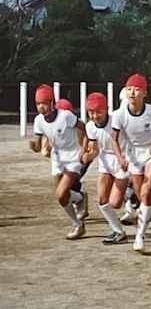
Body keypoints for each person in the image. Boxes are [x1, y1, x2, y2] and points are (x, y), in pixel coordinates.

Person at [111, 73, 151, 253]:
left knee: (145, 193)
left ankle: (140, 236)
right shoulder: (119, 114)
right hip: (133, 156)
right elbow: (114, 139)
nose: (132, 93)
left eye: (137, 89)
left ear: (145, 93)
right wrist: (120, 158)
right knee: (141, 195)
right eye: (129, 89)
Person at [29, 84, 88, 240]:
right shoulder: (38, 120)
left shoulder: (66, 116)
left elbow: (84, 128)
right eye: (38, 104)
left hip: (73, 158)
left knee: (61, 194)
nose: (41, 107)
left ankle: (77, 225)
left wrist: (84, 148)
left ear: (52, 102)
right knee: (63, 196)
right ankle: (80, 198)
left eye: (44, 103)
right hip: (57, 159)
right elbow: (38, 145)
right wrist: (34, 146)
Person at [83, 92, 129, 244]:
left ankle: (133, 193)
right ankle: (118, 231)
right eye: (91, 112)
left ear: (107, 109)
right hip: (105, 161)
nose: (95, 116)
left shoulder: (117, 120)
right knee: (102, 200)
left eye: (98, 112)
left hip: (122, 159)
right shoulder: (90, 126)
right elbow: (94, 148)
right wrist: (89, 156)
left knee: (115, 203)